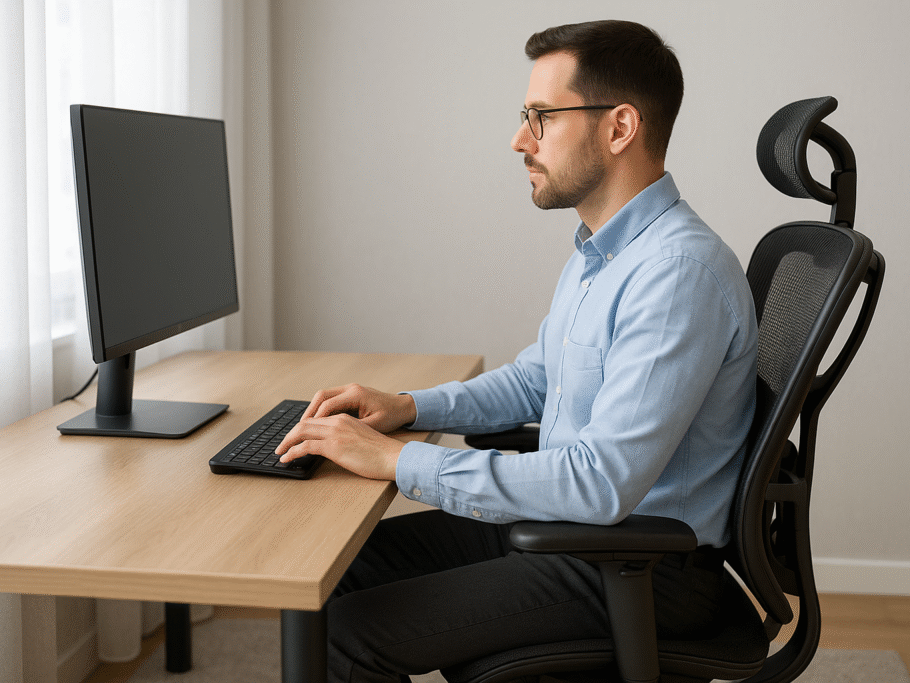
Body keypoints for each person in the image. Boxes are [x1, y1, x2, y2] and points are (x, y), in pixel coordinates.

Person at [276, 19, 758, 682]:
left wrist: (396, 460)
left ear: (619, 128)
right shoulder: (605, 252)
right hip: (580, 532)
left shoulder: (678, 274)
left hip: (638, 562)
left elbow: (600, 481)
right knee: (335, 567)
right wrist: (407, 407)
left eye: (541, 117)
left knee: (341, 637)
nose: (518, 140)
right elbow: (539, 379)